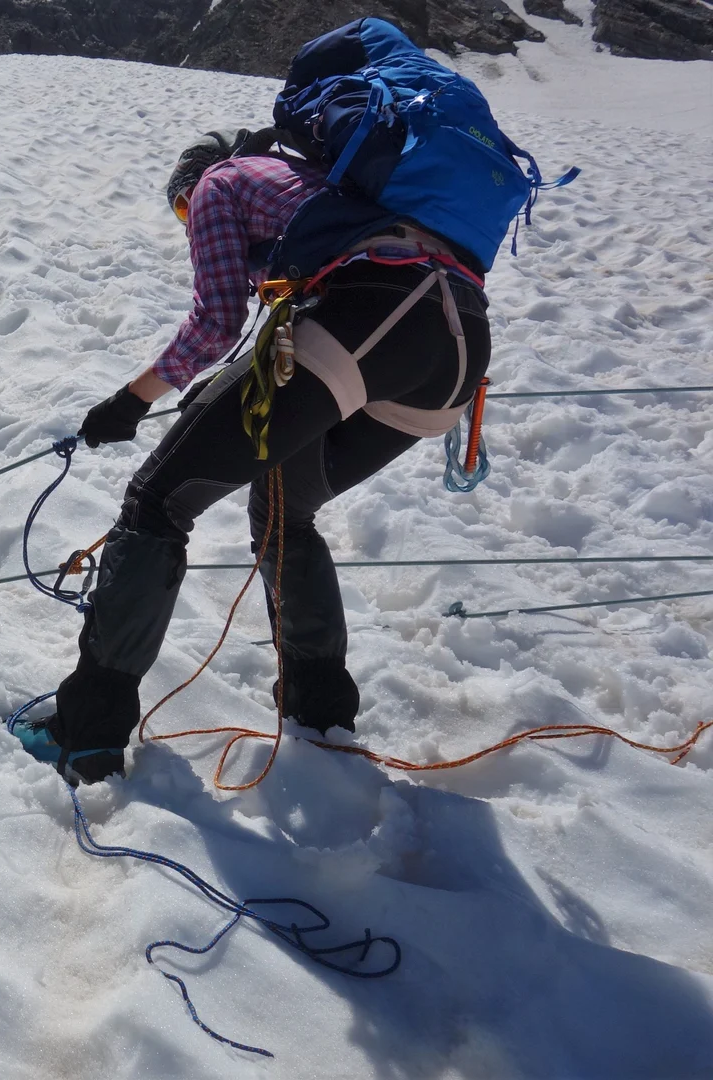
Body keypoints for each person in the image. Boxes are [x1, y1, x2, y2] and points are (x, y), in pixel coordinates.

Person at [43, 131, 491, 784]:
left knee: (157, 501)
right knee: (285, 506)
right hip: (457, 354)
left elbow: (216, 324)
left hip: (374, 317)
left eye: (183, 213)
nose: (191, 224)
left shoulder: (219, 186)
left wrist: (131, 403)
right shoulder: (318, 182)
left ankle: (86, 738)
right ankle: (320, 716)